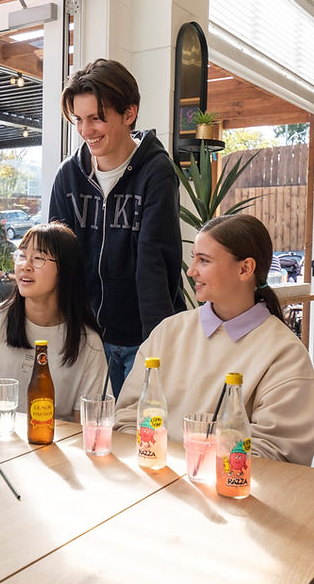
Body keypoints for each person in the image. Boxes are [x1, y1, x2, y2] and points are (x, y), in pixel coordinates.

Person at [113, 214, 314, 464]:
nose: (191, 271)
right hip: (153, 476)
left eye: (204, 260)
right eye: (193, 259)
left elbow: (278, 455)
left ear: (245, 269)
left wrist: (193, 469)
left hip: (229, 486)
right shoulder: (167, 332)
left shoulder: (285, 354)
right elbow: (127, 417)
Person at [49, 58, 184, 397]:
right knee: (90, 426)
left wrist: (156, 348)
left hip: (142, 339)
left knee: (144, 426)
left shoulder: (156, 173)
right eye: (78, 119)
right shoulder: (68, 176)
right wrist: (61, 329)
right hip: (87, 338)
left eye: (96, 118)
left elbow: (155, 262)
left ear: (129, 114)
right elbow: (58, 260)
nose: (86, 130)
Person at [0, 222, 108, 420]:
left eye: (38, 258)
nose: (25, 266)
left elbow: (85, 427)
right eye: (22, 255)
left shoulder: (87, 342)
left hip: (56, 439)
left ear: (65, 269)